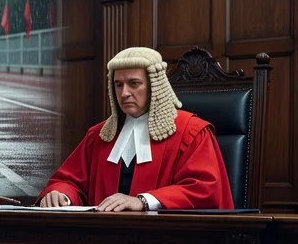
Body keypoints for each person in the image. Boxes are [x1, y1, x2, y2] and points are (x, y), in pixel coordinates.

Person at [37, 47, 234, 211]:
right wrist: (61, 194)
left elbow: (205, 190)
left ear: (154, 85)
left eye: (134, 83)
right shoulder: (100, 135)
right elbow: (70, 181)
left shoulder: (192, 132)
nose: (124, 93)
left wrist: (144, 201)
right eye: (118, 84)